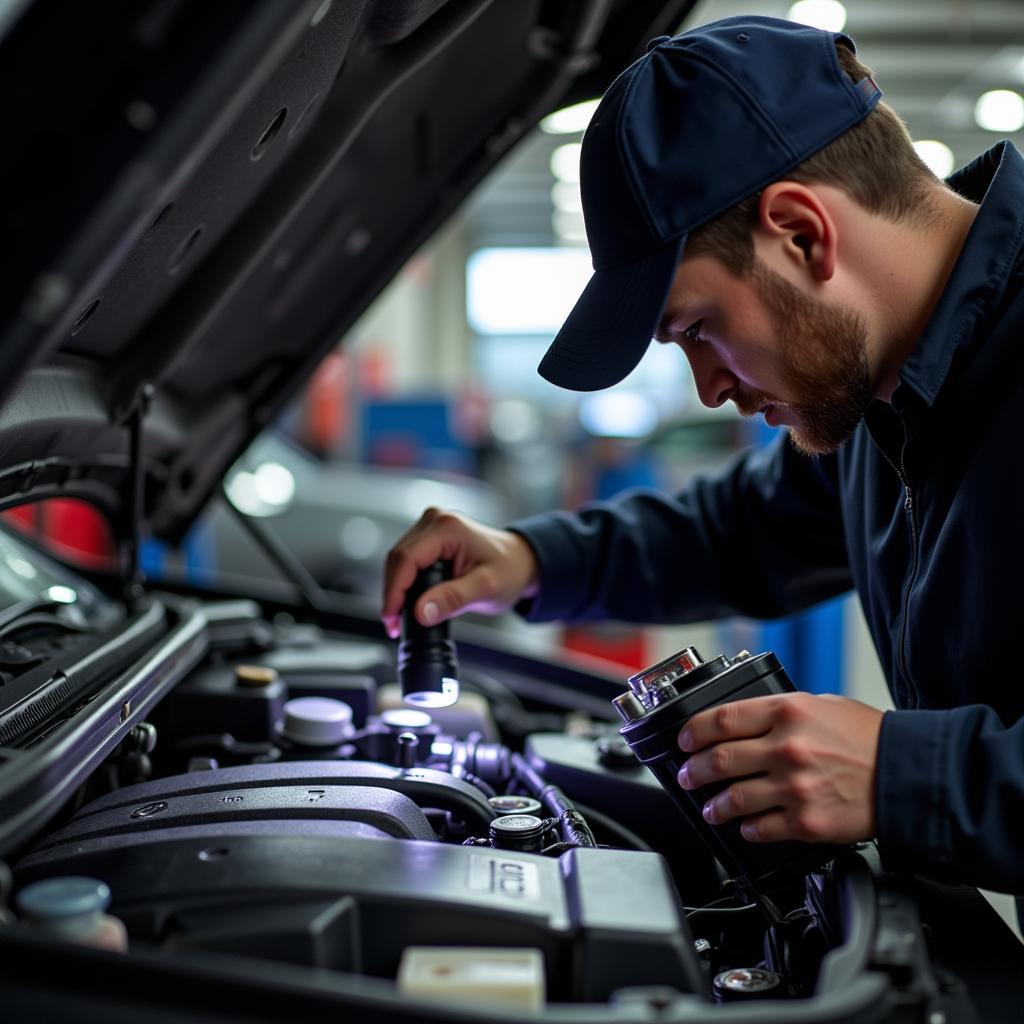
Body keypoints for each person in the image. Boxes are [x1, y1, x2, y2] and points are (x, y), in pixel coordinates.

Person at [381, 16, 1024, 896]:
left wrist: (905, 776)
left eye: (697, 330)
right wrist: (527, 560)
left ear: (801, 234)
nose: (709, 390)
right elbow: (741, 533)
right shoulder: (887, 394)